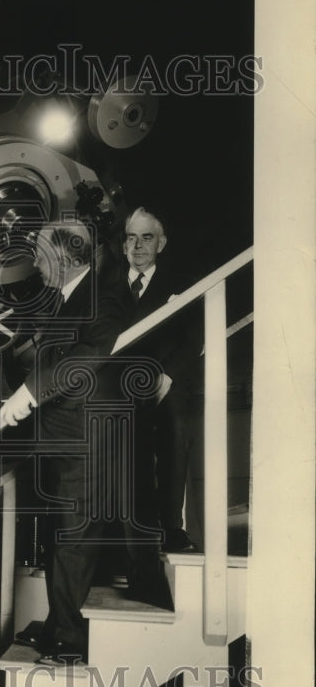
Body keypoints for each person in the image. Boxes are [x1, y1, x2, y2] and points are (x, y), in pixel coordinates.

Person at [0, 221, 132, 665]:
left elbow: (89, 356)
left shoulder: (103, 295)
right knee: (64, 535)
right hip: (65, 438)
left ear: (64, 256)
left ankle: (71, 640)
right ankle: (60, 623)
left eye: (39, 251)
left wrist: (30, 392)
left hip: (87, 437)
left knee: (75, 538)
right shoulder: (66, 299)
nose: (34, 261)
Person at [121, 207, 200, 553]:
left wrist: (167, 376)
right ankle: (117, 532)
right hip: (118, 382)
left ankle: (170, 526)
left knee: (176, 423)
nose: (138, 246)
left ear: (161, 243)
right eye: (131, 237)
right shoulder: (107, 284)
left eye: (147, 237)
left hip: (164, 379)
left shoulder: (180, 284)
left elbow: (193, 337)